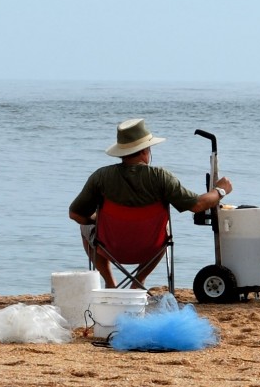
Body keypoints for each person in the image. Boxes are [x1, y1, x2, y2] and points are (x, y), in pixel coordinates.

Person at [69, 117, 231, 288]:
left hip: (110, 247)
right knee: (165, 231)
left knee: (84, 228)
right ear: (145, 150)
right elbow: (197, 205)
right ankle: (138, 281)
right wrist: (220, 190)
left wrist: (95, 220)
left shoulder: (101, 177)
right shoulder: (161, 177)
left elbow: (75, 214)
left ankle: (110, 283)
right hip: (150, 248)